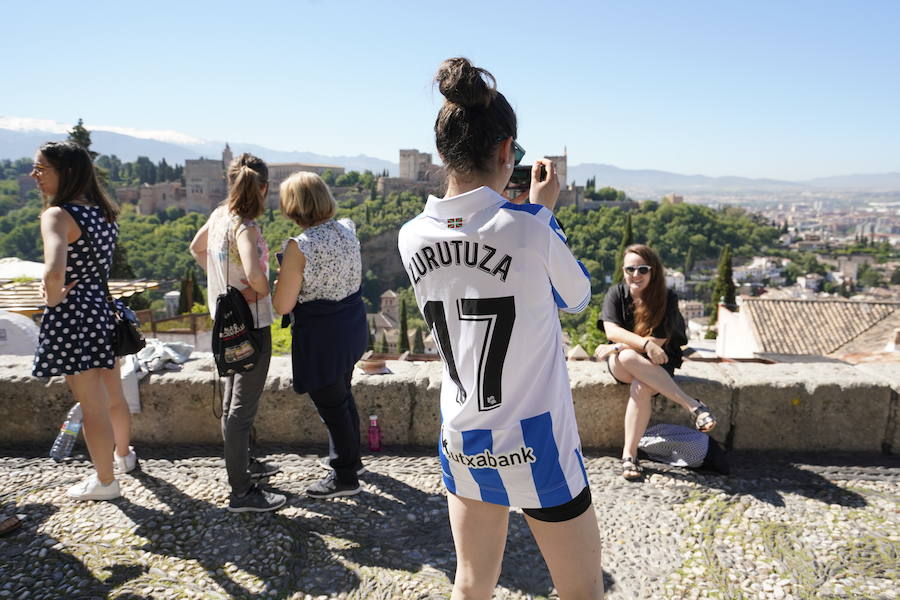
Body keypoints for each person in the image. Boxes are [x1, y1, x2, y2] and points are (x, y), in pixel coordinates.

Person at [397, 58, 604, 599]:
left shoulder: (410, 236)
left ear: (442, 154)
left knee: (471, 584)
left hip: (463, 436)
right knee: (582, 590)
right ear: (507, 150)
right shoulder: (530, 229)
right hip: (537, 442)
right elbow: (578, 298)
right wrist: (544, 213)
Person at [31, 141, 138, 501]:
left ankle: (105, 482)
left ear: (66, 172)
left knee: (92, 406)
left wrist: (54, 295)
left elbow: (53, 271)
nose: (35, 175)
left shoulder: (57, 216)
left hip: (74, 316)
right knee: (114, 397)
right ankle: (125, 457)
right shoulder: (104, 214)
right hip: (103, 309)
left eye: (41, 168)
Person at [189, 153, 285, 513]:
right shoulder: (245, 227)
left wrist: (221, 286)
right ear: (263, 189)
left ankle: (242, 467)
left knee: (232, 403)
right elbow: (257, 279)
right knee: (241, 411)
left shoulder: (217, 217)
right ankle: (242, 491)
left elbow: (196, 248)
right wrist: (256, 288)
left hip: (223, 323)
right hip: (252, 326)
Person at [272, 171, 368, 499]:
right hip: (350, 328)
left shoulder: (300, 247)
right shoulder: (348, 229)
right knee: (343, 397)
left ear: (293, 206)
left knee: (332, 405)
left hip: (322, 337)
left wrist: (279, 282)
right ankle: (352, 462)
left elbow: (283, 305)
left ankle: (344, 476)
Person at [598, 244, 717, 482]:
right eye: (630, 269)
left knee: (641, 386)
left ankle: (629, 456)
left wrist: (619, 346)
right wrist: (639, 345)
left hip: (656, 362)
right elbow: (612, 330)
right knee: (627, 357)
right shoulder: (616, 294)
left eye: (643, 269)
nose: (636, 274)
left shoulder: (666, 298)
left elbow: (658, 344)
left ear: (653, 272)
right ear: (623, 270)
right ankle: (694, 407)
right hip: (625, 363)